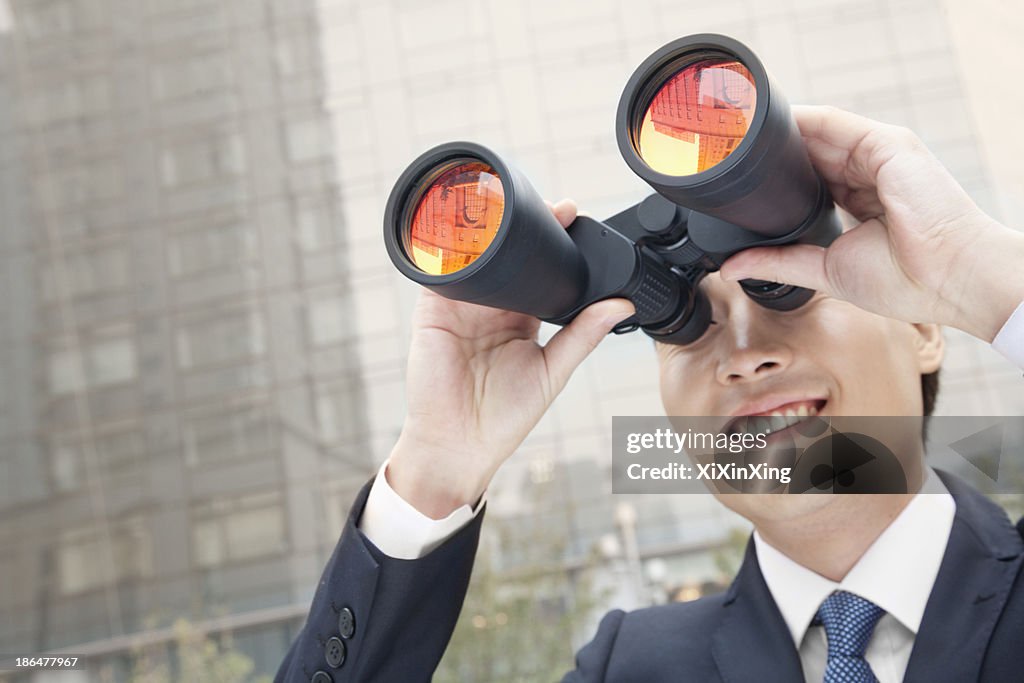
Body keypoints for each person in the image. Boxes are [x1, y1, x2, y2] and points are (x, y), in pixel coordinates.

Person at [274, 106, 1024, 682]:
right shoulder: (633, 666)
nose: (742, 357)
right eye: (687, 328)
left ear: (925, 326)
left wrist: (984, 279)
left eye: (789, 292)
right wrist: (436, 466)